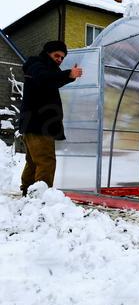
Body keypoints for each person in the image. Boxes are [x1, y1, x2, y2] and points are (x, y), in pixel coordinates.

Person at [19, 40, 83, 196]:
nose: (59, 59)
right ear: (48, 52)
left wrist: (68, 77)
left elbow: (51, 80)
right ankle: (42, 196)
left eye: (62, 57)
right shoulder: (36, 65)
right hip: (38, 124)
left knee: (34, 161)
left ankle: (28, 190)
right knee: (46, 160)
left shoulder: (45, 68)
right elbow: (45, 78)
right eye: (57, 55)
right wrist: (68, 74)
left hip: (35, 123)